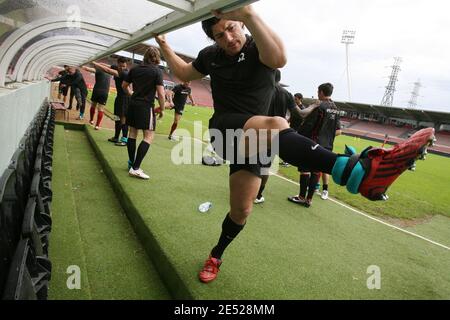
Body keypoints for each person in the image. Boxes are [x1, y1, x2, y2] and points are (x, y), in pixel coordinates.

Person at [155, 5, 435, 283]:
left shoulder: (257, 49)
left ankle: (215, 255)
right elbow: (182, 72)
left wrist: (249, 14)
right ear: (213, 41)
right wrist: (165, 44)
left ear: (240, 24)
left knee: (242, 210)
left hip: (258, 141)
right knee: (277, 122)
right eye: (219, 35)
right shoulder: (210, 57)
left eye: (231, 28)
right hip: (225, 132)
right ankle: (353, 170)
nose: (228, 38)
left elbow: (278, 58)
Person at [254, 70, 305, 204]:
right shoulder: (287, 94)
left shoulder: (262, 88)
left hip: (258, 128)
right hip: (275, 134)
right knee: (265, 166)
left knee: (251, 160)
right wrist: (314, 106)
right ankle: (258, 195)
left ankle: (246, 190)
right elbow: (299, 113)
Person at [288, 83, 342, 207]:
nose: (317, 93)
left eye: (318, 91)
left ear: (321, 92)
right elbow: (338, 130)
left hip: (313, 143)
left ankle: (302, 197)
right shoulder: (336, 108)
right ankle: (309, 200)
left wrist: (298, 136)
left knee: (305, 169)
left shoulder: (319, 106)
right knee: (317, 171)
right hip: (327, 146)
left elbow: (308, 124)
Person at [122, 47, 165, 180]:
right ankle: (135, 168)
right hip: (146, 107)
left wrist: (131, 94)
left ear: (145, 56)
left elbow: (124, 85)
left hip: (133, 105)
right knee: (149, 136)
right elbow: (161, 94)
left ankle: (131, 163)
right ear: (156, 57)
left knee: (132, 133)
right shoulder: (157, 71)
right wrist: (162, 108)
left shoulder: (134, 69)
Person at [91, 58, 130, 146]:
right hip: (119, 97)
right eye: (120, 66)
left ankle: (124, 139)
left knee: (123, 119)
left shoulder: (124, 73)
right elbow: (108, 66)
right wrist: (98, 62)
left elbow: (107, 70)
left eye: (123, 66)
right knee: (116, 117)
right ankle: (116, 137)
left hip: (125, 98)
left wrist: (95, 64)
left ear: (126, 65)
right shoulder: (117, 68)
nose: (122, 68)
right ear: (118, 64)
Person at [81, 64, 112, 130]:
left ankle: (91, 120)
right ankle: (97, 125)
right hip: (105, 92)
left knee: (93, 105)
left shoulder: (98, 70)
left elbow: (88, 69)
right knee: (101, 109)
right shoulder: (109, 72)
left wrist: (83, 66)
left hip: (97, 90)